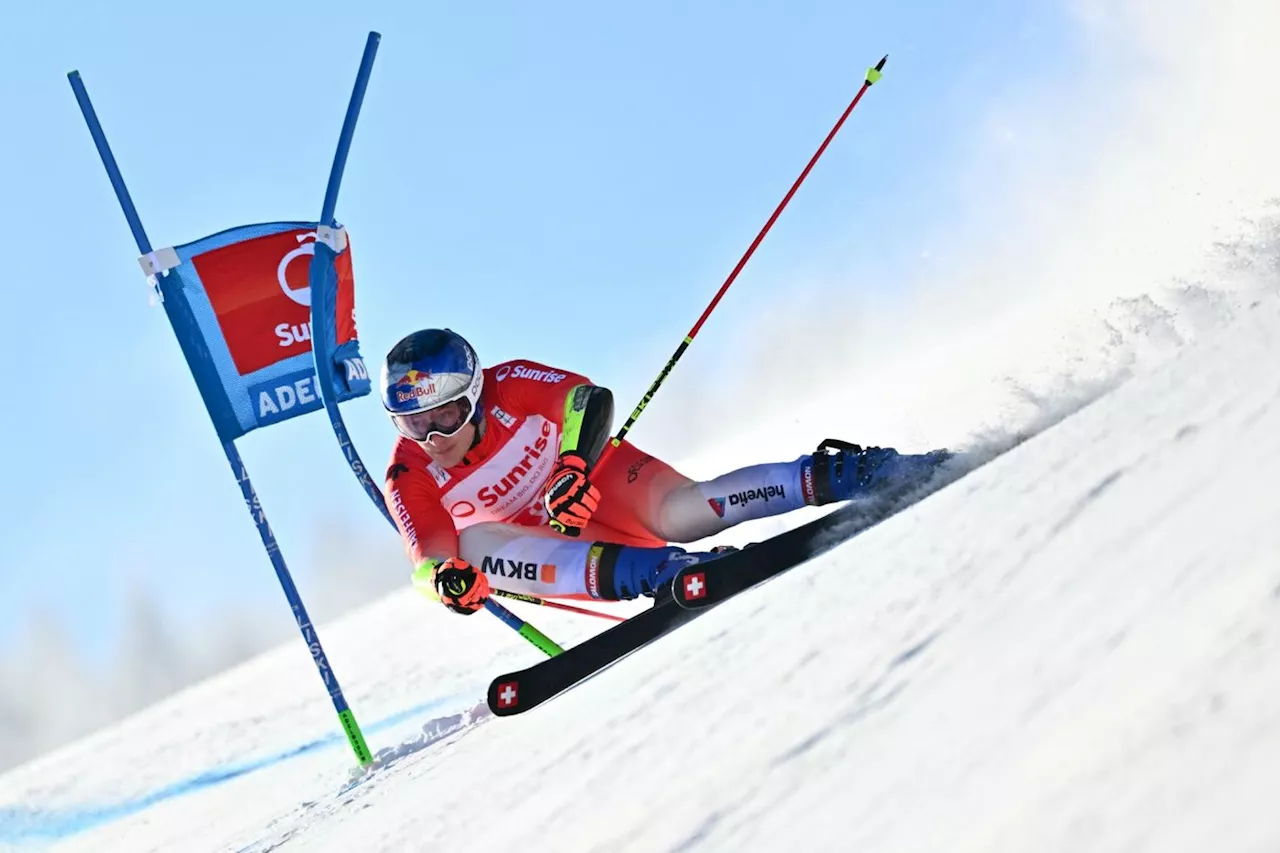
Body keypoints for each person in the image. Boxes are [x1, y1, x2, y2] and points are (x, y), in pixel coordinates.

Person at [380, 328, 947, 615]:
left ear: (475, 396)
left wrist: (573, 468)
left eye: (446, 416)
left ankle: (853, 473)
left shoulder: (512, 383)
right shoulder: (409, 473)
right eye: (413, 424)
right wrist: (445, 583)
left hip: (596, 483)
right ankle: (663, 574)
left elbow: (586, 399)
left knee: (684, 512)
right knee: (472, 547)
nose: (434, 439)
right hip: (553, 545)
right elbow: (427, 557)